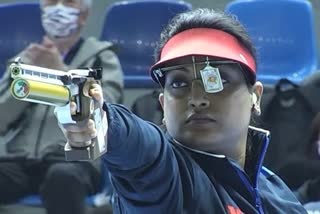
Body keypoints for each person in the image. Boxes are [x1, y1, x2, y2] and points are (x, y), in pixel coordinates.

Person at [58, 8, 306, 213]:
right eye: (179, 83)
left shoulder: (280, 196)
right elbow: (142, 149)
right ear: (164, 105)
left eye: (217, 80)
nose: (197, 99)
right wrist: (103, 121)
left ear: (256, 97)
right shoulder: (167, 178)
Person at [0, 0, 123, 214]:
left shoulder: (102, 57)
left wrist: (61, 72)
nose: (58, 8)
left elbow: (105, 110)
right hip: (20, 159)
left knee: (62, 177)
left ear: (83, 16)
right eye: (51, 2)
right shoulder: (24, 60)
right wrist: (26, 80)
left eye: (68, 2)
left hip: (74, 159)